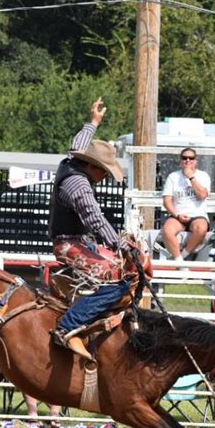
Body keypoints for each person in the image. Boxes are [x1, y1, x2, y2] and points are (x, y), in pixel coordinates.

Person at [49, 97, 131, 361]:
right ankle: (67, 327)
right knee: (117, 280)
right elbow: (95, 218)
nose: (105, 177)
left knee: (124, 272)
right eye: (104, 172)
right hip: (69, 244)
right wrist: (121, 244)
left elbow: (79, 144)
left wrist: (93, 122)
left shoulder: (72, 162)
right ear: (92, 166)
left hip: (77, 240)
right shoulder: (78, 186)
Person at [161, 148, 210, 261]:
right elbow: (167, 201)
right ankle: (179, 261)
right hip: (178, 215)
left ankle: (182, 257)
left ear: (196, 161)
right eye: (184, 158)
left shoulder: (203, 176)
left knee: (201, 228)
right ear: (180, 160)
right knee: (167, 230)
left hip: (197, 215)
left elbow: (202, 195)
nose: (188, 160)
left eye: (191, 158)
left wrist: (191, 177)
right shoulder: (173, 177)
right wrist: (177, 215)